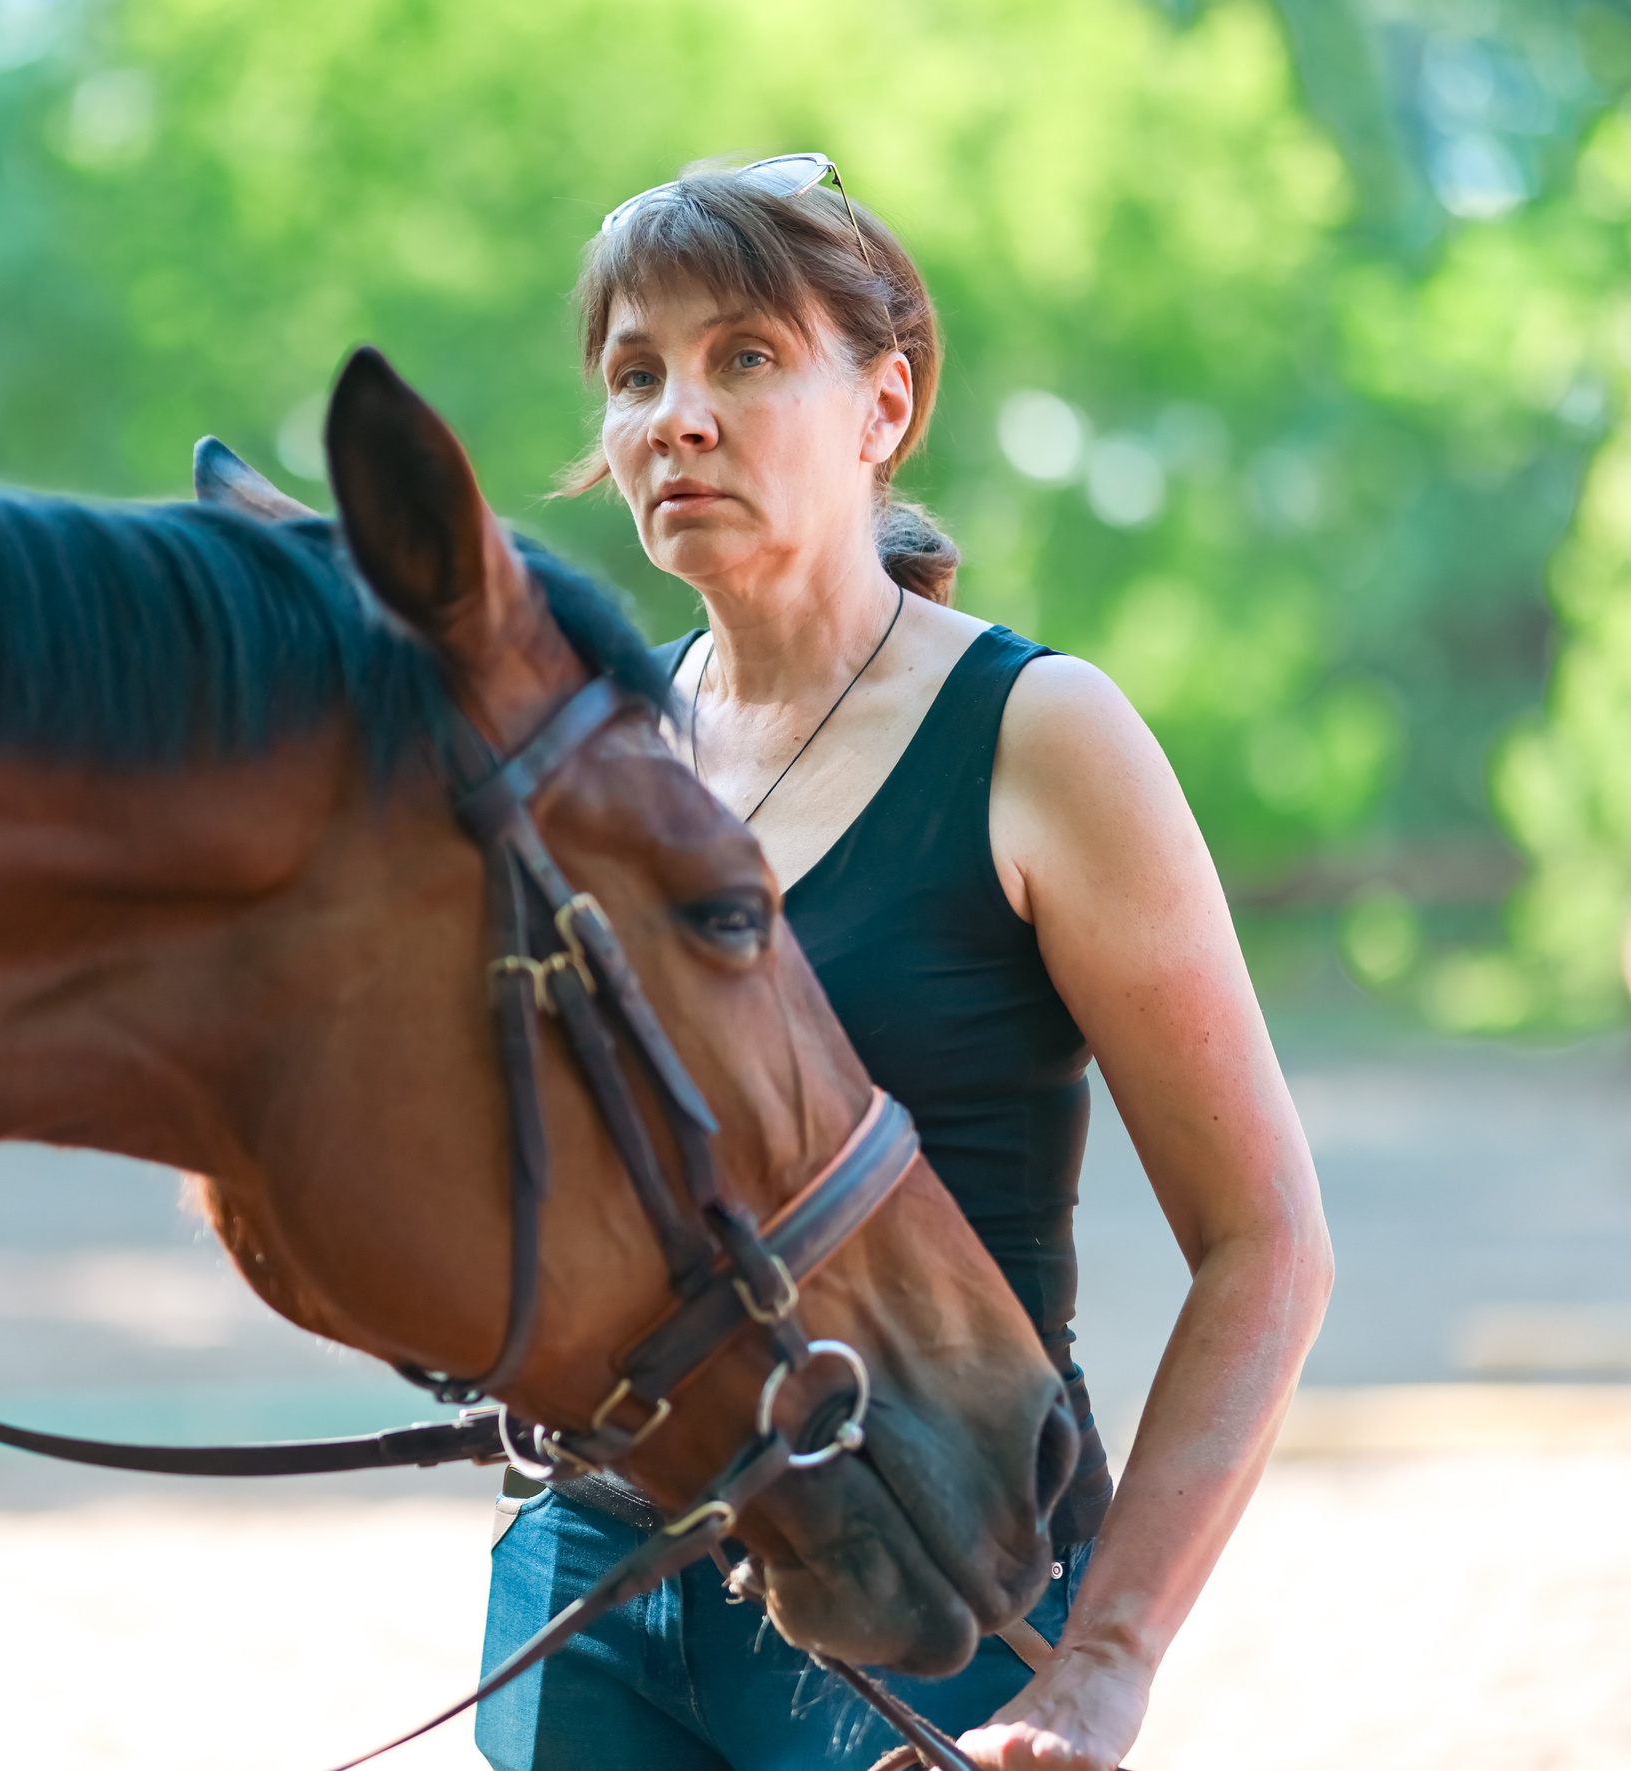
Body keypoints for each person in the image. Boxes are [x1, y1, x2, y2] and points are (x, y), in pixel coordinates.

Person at [476, 156, 1334, 1771]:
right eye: (636, 375)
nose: (677, 418)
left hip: (930, 1583)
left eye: (744, 357)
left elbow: (1268, 1244)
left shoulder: (1038, 736)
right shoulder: (589, 752)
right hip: (583, 1590)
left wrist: (1104, 1667)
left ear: (885, 407)